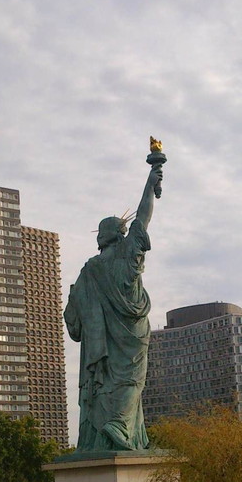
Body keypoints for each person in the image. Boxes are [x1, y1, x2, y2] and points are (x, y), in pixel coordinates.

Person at [64, 162, 163, 452]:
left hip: (102, 344)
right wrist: (150, 185)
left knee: (108, 383)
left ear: (100, 237)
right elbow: (142, 218)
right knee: (131, 380)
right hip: (132, 332)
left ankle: (113, 431)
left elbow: (74, 323)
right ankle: (119, 426)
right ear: (120, 234)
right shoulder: (128, 252)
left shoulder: (88, 271)